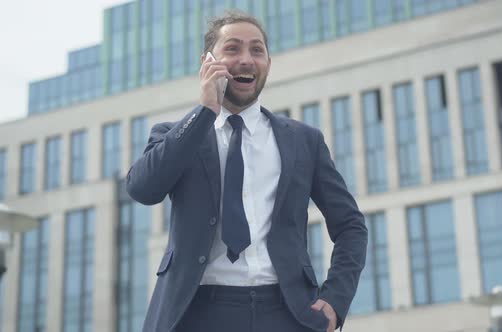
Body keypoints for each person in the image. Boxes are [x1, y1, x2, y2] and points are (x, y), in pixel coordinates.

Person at [126, 10, 367, 332]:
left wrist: (336, 299)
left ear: (268, 62)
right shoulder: (175, 134)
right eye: (232, 48)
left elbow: (351, 225)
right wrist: (204, 112)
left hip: (286, 313)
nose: (246, 59)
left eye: (257, 50)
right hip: (195, 313)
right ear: (207, 62)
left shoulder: (303, 141)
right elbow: (143, 189)